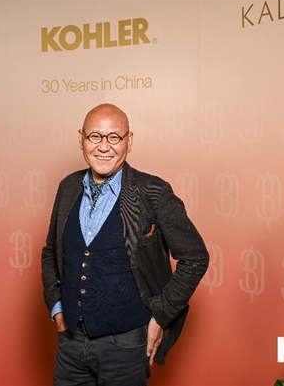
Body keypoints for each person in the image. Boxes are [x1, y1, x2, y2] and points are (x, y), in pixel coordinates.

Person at [41, 103, 209, 385]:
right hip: (70, 343)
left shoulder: (153, 191)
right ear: (81, 138)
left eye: (114, 137)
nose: (104, 146)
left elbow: (195, 257)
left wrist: (161, 315)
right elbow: (50, 252)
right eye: (95, 136)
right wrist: (56, 304)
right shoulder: (67, 187)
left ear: (129, 141)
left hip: (127, 345)